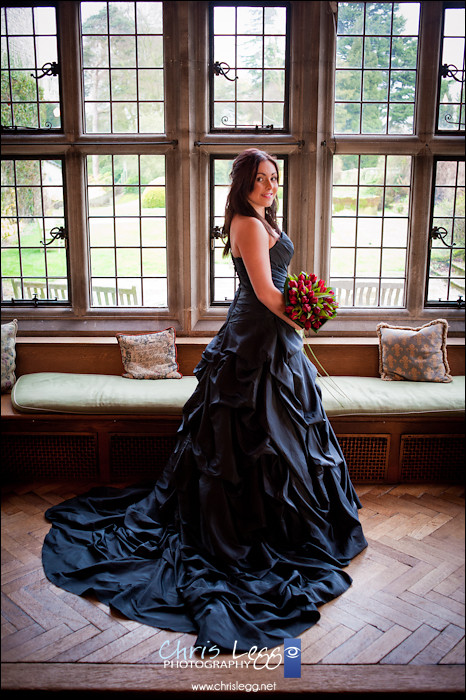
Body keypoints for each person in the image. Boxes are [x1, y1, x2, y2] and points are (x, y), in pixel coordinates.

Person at [42, 148, 367, 653]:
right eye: (260, 179)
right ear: (242, 184)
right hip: (253, 338)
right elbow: (263, 292)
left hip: (274, 338)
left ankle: (281, 522)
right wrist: (307, 316)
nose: (269, 186)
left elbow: (276, 288)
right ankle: (246, 530)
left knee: (284, 434)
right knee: (250, 437)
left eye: (274, 179)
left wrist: (303, 313)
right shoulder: (246, 223)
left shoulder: (262, 219)